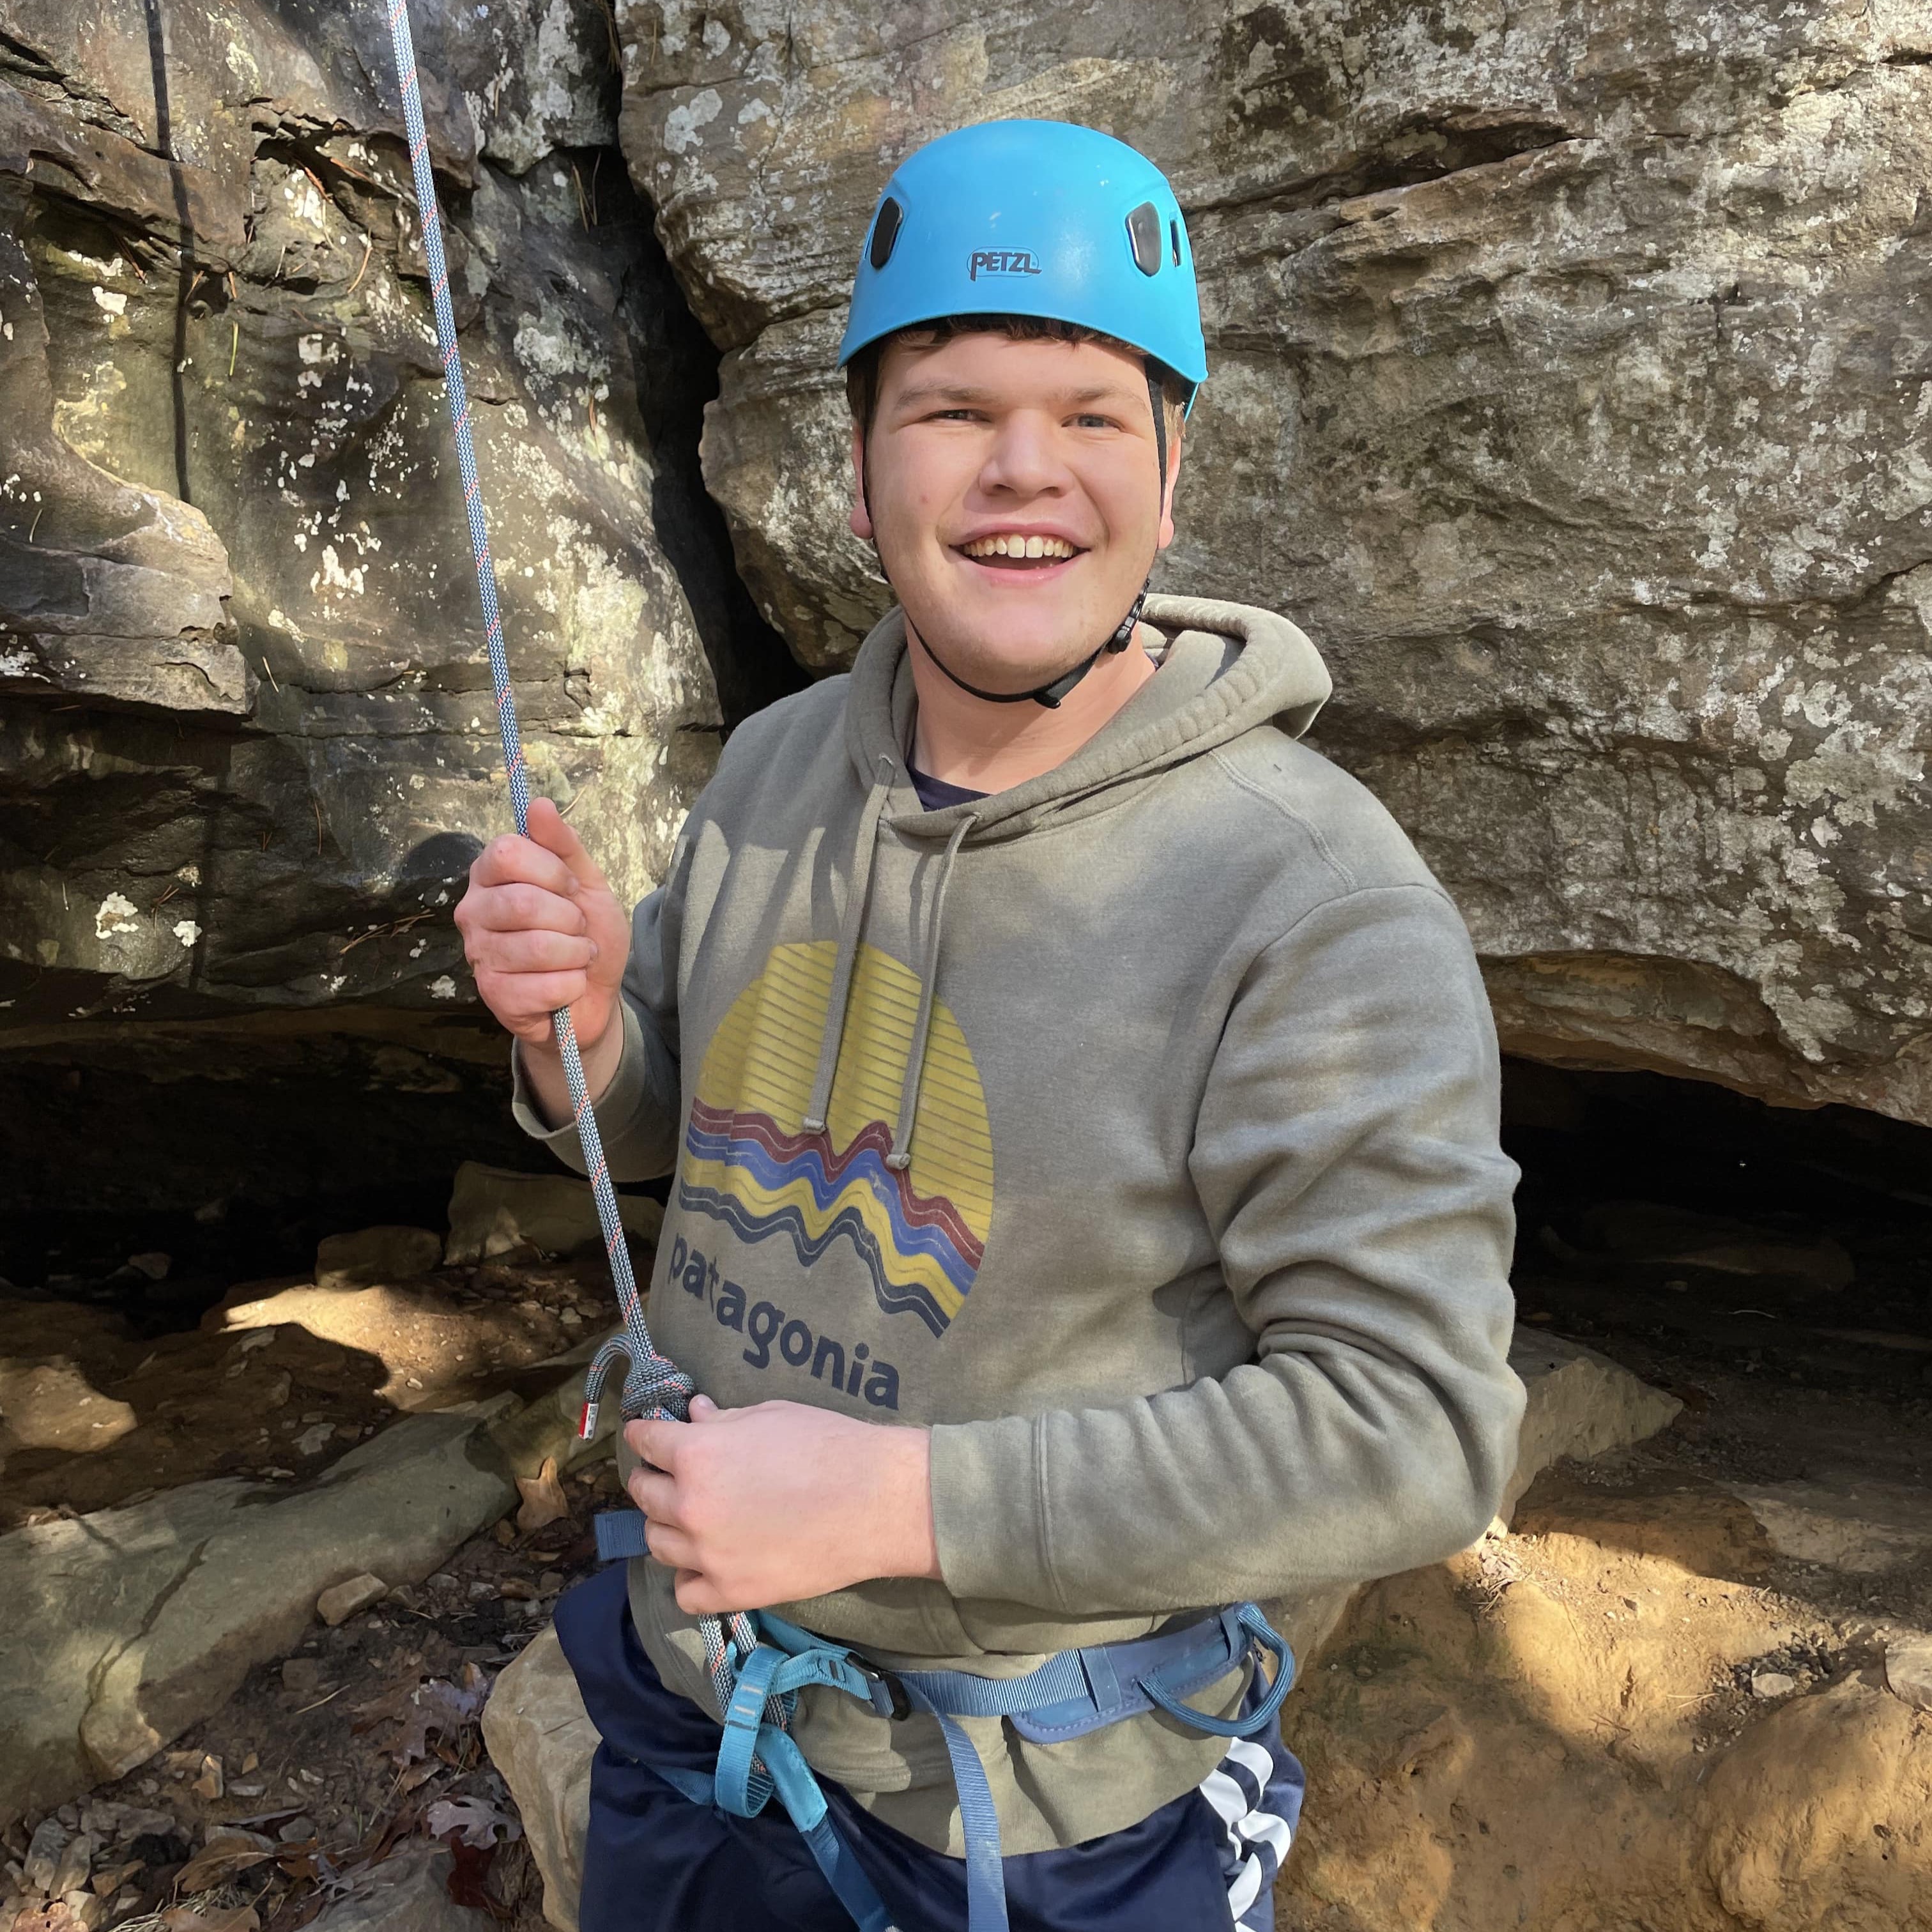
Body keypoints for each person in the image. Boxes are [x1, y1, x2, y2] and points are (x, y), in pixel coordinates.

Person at [456, 118, 1524, 1932]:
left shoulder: (1307, 900)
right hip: (694, 1713)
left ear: (1171, 473)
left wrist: (901, 1504)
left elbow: (1415, 1425)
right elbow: (680, 1126)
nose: (1024, 471)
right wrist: (581, 1029)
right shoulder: (784, 763)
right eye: (952, 409)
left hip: (1040, 1822)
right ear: (862, 471)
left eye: (1095, 416)